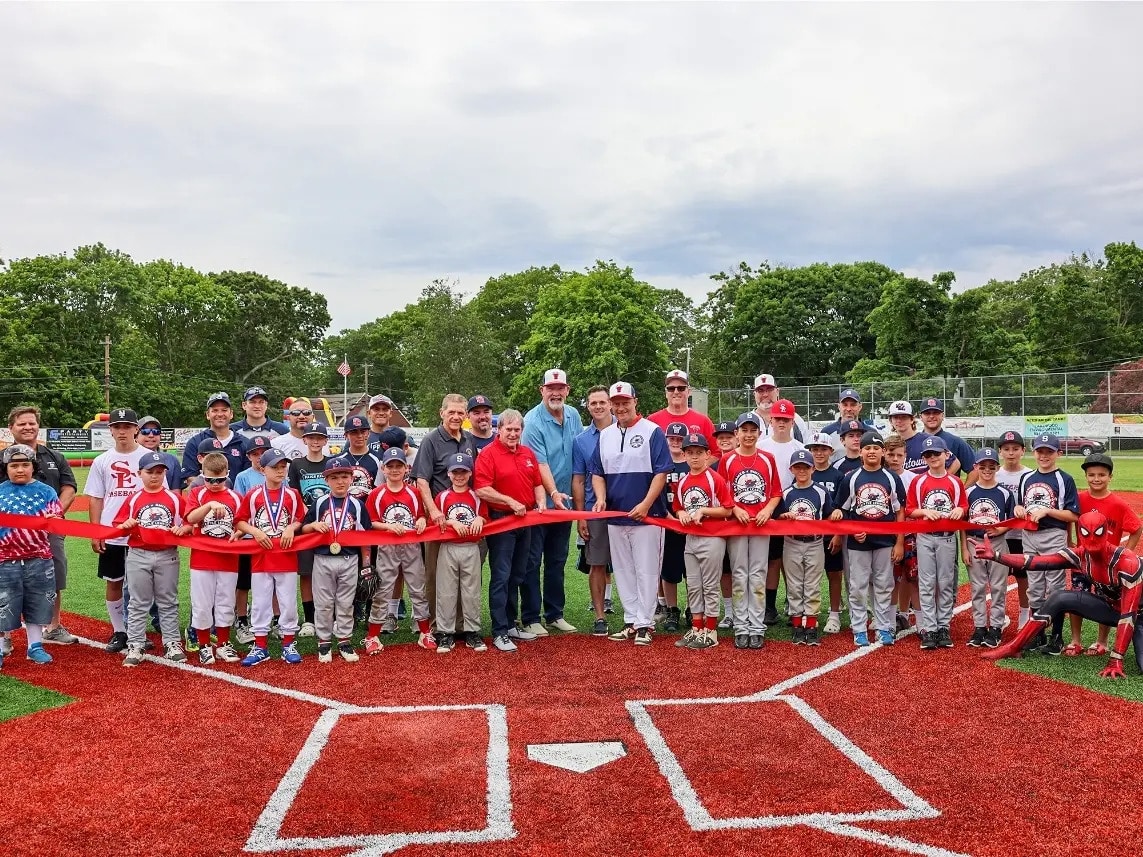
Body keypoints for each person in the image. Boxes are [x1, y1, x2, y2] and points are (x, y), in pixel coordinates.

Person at [976, 510, 1142, 678]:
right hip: (1113, 609)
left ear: (1106, 532)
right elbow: (1035, 562)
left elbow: (1130, 614)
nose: (1092, 539)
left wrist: (1116, 659)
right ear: (1079, 533)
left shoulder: (1127, 563)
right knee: (1059, 597)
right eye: (1086, 533)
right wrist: (996, 556)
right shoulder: (1080, 555)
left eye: (1097, 533)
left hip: (1137, 615)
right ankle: (1014, 646)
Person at [590, 383, 673, 647]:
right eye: (616, 402)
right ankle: (631, 621)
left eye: (625, 401)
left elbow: (661, 472)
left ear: (635, 401)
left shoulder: (652, 431)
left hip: (648, 517)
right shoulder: (605, 435)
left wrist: (647, 504)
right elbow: (597, 473)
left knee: (647, 571)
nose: (621, 407)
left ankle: (645, 624)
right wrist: (601, 499)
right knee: (624, 570)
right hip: (616, 516)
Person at [1, 405, 78, 647]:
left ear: (38, 426)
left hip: (49, 531)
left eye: (32, 423)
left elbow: (69, 488)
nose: (28, 427)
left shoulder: (55, 457)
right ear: (11, 428)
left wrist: (52, 517)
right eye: (21, 423)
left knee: (53, 575)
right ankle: (5, 635)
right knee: (6, 579)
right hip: (8, 534)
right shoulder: (2, 459)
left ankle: (53, 627)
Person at [475, 410, 546, 652]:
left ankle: (511, 623)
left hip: (525, 520)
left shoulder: (527, 453)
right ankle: (499, 631)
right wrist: (509, 502)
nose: (513, 434)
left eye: (517, 430)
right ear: (499, 429)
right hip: (502, 521)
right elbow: (482, 489)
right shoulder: (488, 454)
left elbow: (537, 482)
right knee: (501, 576)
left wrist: (542, 502)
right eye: (509, 430)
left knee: (518, 574)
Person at [521, 368, 583, 635]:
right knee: (533, 561)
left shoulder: (574, 415)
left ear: (567, 390)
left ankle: (555, 613)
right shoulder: (532, 420)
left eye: (561, 388)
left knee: (557, 560)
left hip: (565, 504)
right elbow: (540, 464)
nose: (556, 392)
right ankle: (531, 617)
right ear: (542, 390)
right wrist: (554, 494)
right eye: (551, 388)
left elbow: (579, 455)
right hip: (540, 504)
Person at [830, 431, 906, 648]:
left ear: (883, 452)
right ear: (860, 452)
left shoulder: (892, 478)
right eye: (867, 448)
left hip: (885, 541)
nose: (871, 452)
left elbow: (900, 511)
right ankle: (859, 629)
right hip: (858, 543)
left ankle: (883, 627)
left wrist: (899, 541)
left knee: (884, 585)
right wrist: (851, 530)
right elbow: (842, 510)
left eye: (875, 448)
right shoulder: (851, 478)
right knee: (858, 586)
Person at [113, 451, 186, 666]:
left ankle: (172, 642)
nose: (154, 476)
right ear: (139, 473)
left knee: (168, 600)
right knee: (138, 601)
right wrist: (124, 526)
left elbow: (189, 523)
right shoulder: (134, 498)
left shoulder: (174, 497)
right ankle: (135, 643)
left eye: (159, 472)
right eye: (149, 472)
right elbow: (118, 525)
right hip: (139, 554)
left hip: (167, 554)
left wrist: (182, 529)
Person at [84, 407, 147, 653]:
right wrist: (96, 531)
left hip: (142, 532)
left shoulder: (148, 457)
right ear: (110, 430)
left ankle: (137, 631)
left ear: (136, 429)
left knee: (141, 585)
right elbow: (96, 498)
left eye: (128, 426)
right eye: (117, 426)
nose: (123, 431)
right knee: (114, 582)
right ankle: (120, 630)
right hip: (113, 532)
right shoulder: (102, 461)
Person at [234, 448, 304, 667]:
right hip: (261, 558)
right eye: (275, 467)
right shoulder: (254, 494)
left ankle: (288, 643)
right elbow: (240, 521)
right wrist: (255, 532)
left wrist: (291, 527)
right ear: (263, 469)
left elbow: (301, 518)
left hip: (286, 557)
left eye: (283, 467)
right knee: (261, 603)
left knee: (288, 602)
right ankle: (260, 646)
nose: (280, 471)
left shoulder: (292, 494)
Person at [1066, 452, 1141, 656]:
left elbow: (1136, 528)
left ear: (1110, 477)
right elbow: (1069, 518)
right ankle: (1075, 640)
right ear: (1086, 476)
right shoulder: (1079, 499)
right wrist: (1069, 541)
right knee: (1076, 597)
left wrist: (1126, 553)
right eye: (1091, 475)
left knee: (1105, 601)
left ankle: (1102, 641)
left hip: (1107, 567)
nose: (1096, 479)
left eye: (1101, 475)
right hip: (1082, 561)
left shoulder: (1118, 504)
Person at [718, 412, 781, 648]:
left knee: (757, 574)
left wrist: (767, 510)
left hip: (760, 525)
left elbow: (776, 492)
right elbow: (723, 494)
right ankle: (740, 625)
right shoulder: (727, 460)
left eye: (753, 430)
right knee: (739, 573)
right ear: (737, 434)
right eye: (744, 430)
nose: (748, 435)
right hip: (737, 524)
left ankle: (757, 626)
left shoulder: (767, 458)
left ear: (759, 433)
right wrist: (734, 508)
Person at [365, 448, 437, 653]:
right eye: (390, 466)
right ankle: (373, 635)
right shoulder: (377, 494)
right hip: (387, 548)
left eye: (399, 466)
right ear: (383, 468)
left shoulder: (414, 493)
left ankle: (424, 632)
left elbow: (420, 515)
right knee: (382, 590)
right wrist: (388, 526)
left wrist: (422, 520)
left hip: (412, 547)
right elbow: (371, 522)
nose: (395, 470)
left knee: (417, 588)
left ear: (407, 468)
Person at [1012, 433, 1080, 649]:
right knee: (1035, 586)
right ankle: (1038, 633)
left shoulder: (1064, 479)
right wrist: (1018, 508)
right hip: (1029, 536)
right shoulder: (1026, 478)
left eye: (1049, 451)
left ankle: (1057, 636)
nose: (1044, 455)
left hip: (1053, 535)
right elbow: (1021, 505)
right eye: (1040, 451)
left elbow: (1073, 515)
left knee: (1055, 586)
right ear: (1034, 453)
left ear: (1058, 453)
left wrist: (1048, 511)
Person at [413, 394, 477, 624]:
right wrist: (434, 512)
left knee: (464, 574)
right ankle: (433, 623)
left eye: (461, 413)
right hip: (439, 521)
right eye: (452, 412)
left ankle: (459, 624)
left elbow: (474, 479)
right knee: (434, 573)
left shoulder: (469, 440)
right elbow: (421, 480)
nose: (456, 417)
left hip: (465, 519)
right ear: (442, 413)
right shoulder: (431, 440)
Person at [302, 459, 373, 664]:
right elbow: (305, 529)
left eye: (344, 477)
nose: (340, 482)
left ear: (351, 478)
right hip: (323, 557)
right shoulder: (320, 503)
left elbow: (365, 538)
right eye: (334, 478)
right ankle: (324, 642)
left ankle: (344, 640)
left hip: (349, 558)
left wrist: (366, 564)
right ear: (327, 480)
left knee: (345, 602)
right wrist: (314, 525)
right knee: (323, 603)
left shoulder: (358, 505)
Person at [0, 444, 64, 667]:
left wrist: (55, 521)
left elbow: (56, 519)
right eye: (14, 465)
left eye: (25, 465)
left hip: (39, 558)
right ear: (6, 468)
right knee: (3, 603)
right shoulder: (0, 492)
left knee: (38, 602)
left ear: (33, 467)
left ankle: (35, 646)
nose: (20, 469)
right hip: (4, 560)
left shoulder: (46, 492)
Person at [671, 433, 733, 650]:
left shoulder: (714, 478)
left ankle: (711, 630)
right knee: (694, 585)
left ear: (708, 454)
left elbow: (727, 508)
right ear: (684, 455)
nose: (694, 457)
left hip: (712, 537)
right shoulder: (683, 482)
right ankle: (697, 627)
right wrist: (680, 514)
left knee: (709, 585)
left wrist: (703, 510)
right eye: (690, 453)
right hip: (692, 538)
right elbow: (678, 506)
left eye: (699, 453)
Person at [182, 451, 244, 665]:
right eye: (210, 480)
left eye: (220, 479)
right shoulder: (198, 493)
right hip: (202, 558)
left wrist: (240, 532)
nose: (215, 484)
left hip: (228, 559)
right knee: (202, 603)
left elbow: (241, 524)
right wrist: (209, 505)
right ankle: (204, 645)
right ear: (202, 474)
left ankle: (224, 643)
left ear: (227, 474)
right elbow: (190, 518)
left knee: (226, 602)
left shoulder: (235, 497)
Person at [906, 435, 967, 650]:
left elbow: (963, 506)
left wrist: (961, 509)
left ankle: (943, 626)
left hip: (947, 538)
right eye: (928, 455)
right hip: (924, 538)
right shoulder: (918, 480)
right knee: (926, 582)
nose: (932, 457)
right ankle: (930, 628)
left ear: (946, 455)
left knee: (946, 582)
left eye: (936, 454)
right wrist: (924, 511)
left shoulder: (954, 481)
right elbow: (910, 509)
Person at [757, 399, 806, 625]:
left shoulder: (800, 449)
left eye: (786, 419)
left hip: (794, 506)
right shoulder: (762, 446)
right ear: (771, 419)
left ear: (793, 421)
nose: (782, 423)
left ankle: (794, 602)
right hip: (768, 507)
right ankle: (769, 606)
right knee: (773, 560)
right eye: (778, 419)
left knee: (794, 559)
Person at [572, 385, 616, 635]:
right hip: (594, 510)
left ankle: (638, 615)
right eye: (593, 403)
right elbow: (578, 480)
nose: (598, 406)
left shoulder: (625, 432)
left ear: (610, 404)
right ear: (587, 407)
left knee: (633, 563)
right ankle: (600, 616)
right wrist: (581, 516)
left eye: (602, 402)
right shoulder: (581, 440)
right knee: (597, 564)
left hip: (624, 508)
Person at [434, 453, 487, 653]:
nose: (459, 476)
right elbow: (435, 521)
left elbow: (485, 516)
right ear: (448, 474)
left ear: (470, 473)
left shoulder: (476, 495)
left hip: (471, 547)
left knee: (471, 591)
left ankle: (471, 631)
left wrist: (479, 520)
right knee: (446, 591)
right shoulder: (442, 496)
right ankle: (446, 632)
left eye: (463, 472)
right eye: (455, 472)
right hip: (448, 547)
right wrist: (450, 521)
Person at [962, 447, 1013, 649]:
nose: (987, 470)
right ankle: (980, 627)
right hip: (974, 542)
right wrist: (964, 548)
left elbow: (1012, 519)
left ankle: (996, 628)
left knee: (999, 587)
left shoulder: (1004, 493)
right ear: (976, 467)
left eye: (991, 467)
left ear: (997, 468)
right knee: (978, 587)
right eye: (983, 467)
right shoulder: (969, 492)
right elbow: (962, 524)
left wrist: (1001, 529)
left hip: (997, 543)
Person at [779, 449, 832, 646]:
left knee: (812, 585)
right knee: (793, 585)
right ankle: (796, 624)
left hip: (815, 542)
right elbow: (778, 517)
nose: (802, 471)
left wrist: (834, 514)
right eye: (798, 467)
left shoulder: (820, 491)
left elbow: (828, 513)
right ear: (792, 469)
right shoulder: (786, 493)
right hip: (792, 542)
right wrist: (783, 517)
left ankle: (811, 623)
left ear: (812, 469)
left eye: (806, 467)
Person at [288, 422, 330, 638]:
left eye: (319, 438)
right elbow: (294, 494)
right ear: (304, 440)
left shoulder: (331, 462)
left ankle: (327, 617)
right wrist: (307, 514)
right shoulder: (296, 464)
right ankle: (309, 619)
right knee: (306, 573)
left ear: (325, 441)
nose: (315, 441)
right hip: (305, 525)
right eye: (311, 437)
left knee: (328, 571)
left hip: (328, 524)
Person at [232, 434, 271, 645]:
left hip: (273, 538)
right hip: (249, 538)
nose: (259, 457)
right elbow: (240, 509)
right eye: (255, 454)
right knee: (244, 582)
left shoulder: (277, 474)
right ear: (248, 456)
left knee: (272, 580)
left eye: (263, 453)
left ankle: (273, 619)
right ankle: (242, 620)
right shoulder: (243, 477)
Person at [807, 430, 846, 634]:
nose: (819, 453)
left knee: (834, 574)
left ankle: (834, 614)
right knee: (809, 576)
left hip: (830, 534)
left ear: (831, 451)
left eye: (823, 449)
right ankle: (806, 612)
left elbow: (841, 509)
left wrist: (838, 535)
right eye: (814, 449)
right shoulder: (804, 472)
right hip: (808, 536)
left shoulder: (837, 476)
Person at [995, 430, 1033, 629]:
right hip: (1000, 535)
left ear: (1023, 451)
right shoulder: (994, 473)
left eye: (1015, 449)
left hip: (1021, 535)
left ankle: (1024, 615)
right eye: (1006, 449)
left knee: (1022, 576)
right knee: (998, 577)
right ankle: (998, 616)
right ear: (1000, 451)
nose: (1011, 453)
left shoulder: (1029, 475)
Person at [883, 433, 919, 633]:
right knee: (889, 578)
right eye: (891, 454)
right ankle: (889, 615)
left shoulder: (913, 478)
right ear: (884, 454)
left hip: (911, 534)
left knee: (909, 576)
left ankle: (904, 614)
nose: (895, 459)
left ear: (905, 455)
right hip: (887, 535)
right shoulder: (881, 476)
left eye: (899, 455)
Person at [659, 422, 691, 634]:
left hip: (691, 525)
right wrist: (670, 519)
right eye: (672, 438)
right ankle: (672, 609)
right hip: (668, 524)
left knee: (692, 570)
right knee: (669, 571)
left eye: (680, 439)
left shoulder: (692, 464)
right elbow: (657, 497)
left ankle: (692, 607)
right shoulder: (662, 465)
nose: (676, 442)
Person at [181, 392, 248, 483]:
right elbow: (190, 477)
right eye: (215, 410)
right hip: (205, 496)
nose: (220, 414)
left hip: (235, 495)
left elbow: (248, 477)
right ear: (208, 415)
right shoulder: (195, 442)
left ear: (231, 414)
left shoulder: (244, 443)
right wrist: (215, 488)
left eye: (224, 410)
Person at [649, 369, 717, 449]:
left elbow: (716, 452)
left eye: (681, 388)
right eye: (671, 388)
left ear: (688, 391)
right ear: (666, 393)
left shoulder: (703, 421)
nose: (676, 392)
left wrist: (701, 462)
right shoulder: (652, 421)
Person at [916, 398, 977, 480]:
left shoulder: (955, 442)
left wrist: (962, 491)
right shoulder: (914, 441)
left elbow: (974, 471)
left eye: (936, 413)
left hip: (948, 492)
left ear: (942, 415)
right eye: (927, 413)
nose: (931, 416)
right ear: (921, 417)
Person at [751, 374, 808, 441]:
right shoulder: (744, 421)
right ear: (754, 394)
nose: (765, 395)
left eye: (769, 390)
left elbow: (806, 448)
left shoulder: (794, 419)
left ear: (777, 392)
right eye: (760, 390)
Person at [820, 388, 875, 455]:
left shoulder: (871, 432)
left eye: (853, 405)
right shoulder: (827, 432)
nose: (849, 409)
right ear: (839, 407)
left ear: (860, 407)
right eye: (845, 405)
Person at [135, 416, 181, 489]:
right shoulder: (127, 458)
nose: (151, 435)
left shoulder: (172, 460)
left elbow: (176, 492)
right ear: (136, 436)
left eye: (156, 432)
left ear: (161, 436)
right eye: (145, 431)